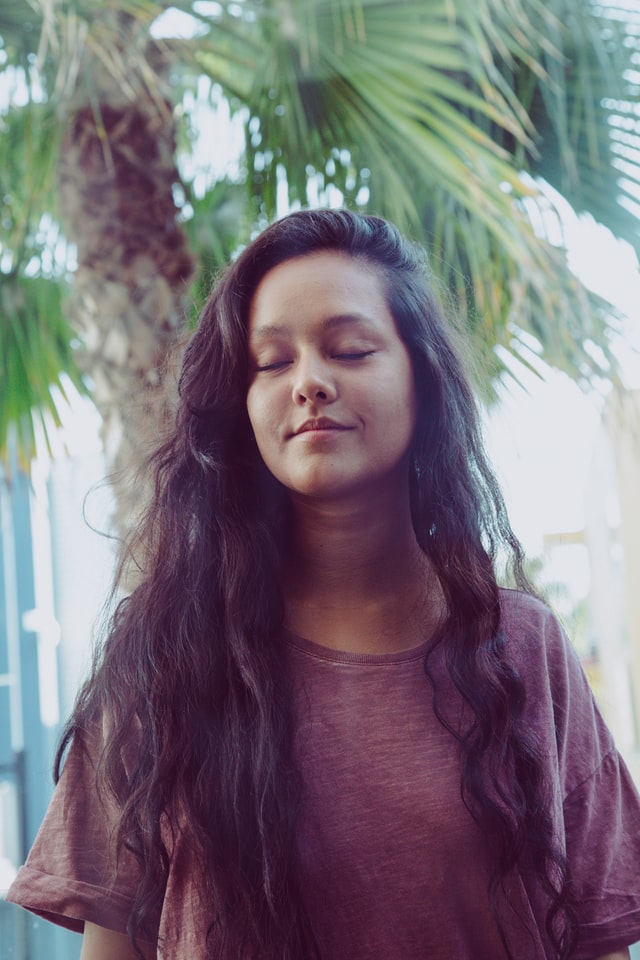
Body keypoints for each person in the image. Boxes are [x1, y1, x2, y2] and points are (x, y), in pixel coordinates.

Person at [6, 209, 640, 960]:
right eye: (271, 363)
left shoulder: (520, 645)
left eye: (349, 349)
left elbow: (597, 937)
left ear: (422, 379)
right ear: (241, 407)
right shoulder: (160, 653)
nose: (309, 382)